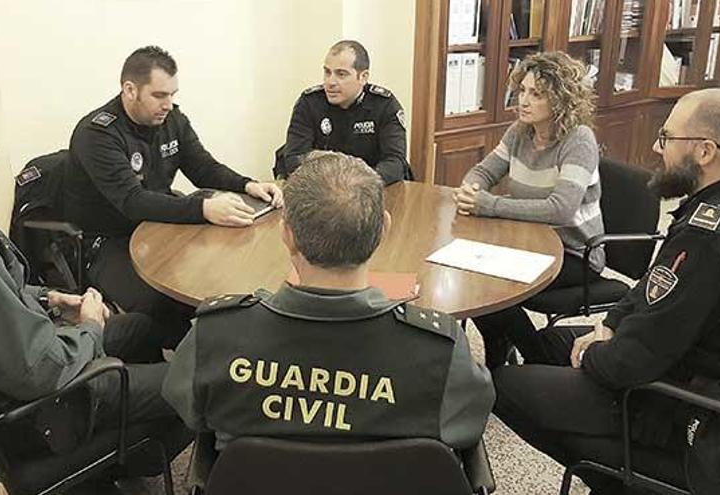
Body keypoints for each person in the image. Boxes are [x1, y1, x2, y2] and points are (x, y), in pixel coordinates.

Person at [0, 79, 190, 489]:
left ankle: (125, 448)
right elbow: (42, 370)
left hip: (12, 384)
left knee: (142, 327)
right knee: (199, 380)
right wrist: (89, 328)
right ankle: (122, 446)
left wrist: (50, 298)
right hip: (44, 414)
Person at [494, 88, 720, 494]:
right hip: (697, 358)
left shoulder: (709, 239)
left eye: (667, 138)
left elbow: (631, 364)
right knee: (553, 341)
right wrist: (609, 323)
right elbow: (655, 287)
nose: (657, 148)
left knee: (503, 386)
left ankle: (614, 479)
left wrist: (594, 353)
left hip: (692, 404)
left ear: (706, 151)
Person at [162, 151, 494, 454]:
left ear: (286, 234)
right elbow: (466, 424)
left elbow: (188, 409)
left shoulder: (216, 335)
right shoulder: (439, 351)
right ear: (383, 231)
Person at [64, 45, 283, 348]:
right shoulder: (98, 134)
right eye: (159, 95)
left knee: (215, 284)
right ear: (130, 90)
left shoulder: (171, 120)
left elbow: (203, 167)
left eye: (172, 95)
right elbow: (133, 202)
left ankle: (209, 353)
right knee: (164, 302)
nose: (168, 104)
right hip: (108, 241)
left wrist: (247, 185)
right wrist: (204, 208)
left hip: (161, 227)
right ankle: (169, 369)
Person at [452, 51, 605, 368]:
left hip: (575, 253)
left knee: (492, 288)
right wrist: (472, 190)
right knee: (473, 276)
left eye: (537, 94)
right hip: (525, 240)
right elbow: (482, 172)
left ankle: (537, 356)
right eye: (522, 90)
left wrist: (490, 205)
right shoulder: (519, 131)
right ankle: (499, 350)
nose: (523, 100)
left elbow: (561, 209)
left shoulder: (579, 140)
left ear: (561, 100)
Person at [273, 40, 412, 185]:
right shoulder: (309, 103)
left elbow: (395, 162)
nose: (330, 82)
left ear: (363, 77)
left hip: (370, 189)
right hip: (323, 189)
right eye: (327, 72)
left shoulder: (384, 105)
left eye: (341, 74)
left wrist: (356, 184)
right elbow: (294, 158)